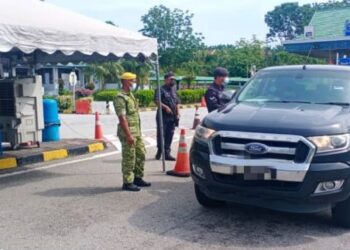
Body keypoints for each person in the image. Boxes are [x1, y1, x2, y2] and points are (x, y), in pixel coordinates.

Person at [114, 72, 151, 192]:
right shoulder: (120, 97)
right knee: (129, 157)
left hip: (137, 132)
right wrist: (129, 135)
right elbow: (122, 118)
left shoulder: (130, 95)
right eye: (132, 81)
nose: (133, 83)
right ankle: (128, 182)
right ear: (125, 81)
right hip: (128, 133)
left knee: (141, 154)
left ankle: (138, 178)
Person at [154, 72, 180, 161]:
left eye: (173, 79)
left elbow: (177, 102)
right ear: (166, 80)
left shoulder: (174, 89)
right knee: (161, 133)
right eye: (171, 79)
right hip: (163, 116)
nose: (172, 81)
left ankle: (167, 153)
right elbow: (157, 101)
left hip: (172, 116)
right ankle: (160, 150)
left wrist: (178, 113)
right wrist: (166, 107)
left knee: (170, 134)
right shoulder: (160, 89)